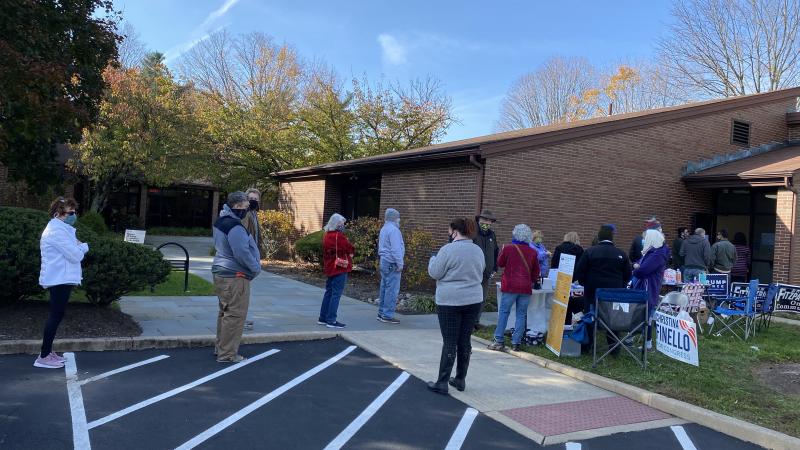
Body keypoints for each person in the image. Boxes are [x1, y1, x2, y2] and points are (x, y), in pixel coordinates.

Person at [426, 217, 485, 395]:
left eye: (449, 230)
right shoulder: (478, 250)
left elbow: (435, 272)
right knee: (464, 340)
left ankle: (442, 381)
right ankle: (460, 379)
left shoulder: (447, 250)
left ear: (454, 231)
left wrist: (432, 260)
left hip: (450, 300)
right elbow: (482, 270)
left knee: (450, 341)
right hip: (474, 299)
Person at [35, 197, 89, 369]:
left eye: (74, 212)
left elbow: (72, 250)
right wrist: (84, 246)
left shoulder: (61, 229)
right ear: (58, 214)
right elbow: (76, 254)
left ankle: (47, 352)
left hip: (61, 277)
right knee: (55, 315)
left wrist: (77, 246)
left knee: (56, 315)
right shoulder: (56, 232)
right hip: (59, 278)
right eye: (71, 213)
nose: (74, 215)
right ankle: (43, 356)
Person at [212, 192, 262, 363]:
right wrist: (256, 268)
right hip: (235, 275)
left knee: (225, 312)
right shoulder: (235, 227)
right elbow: (242, 253)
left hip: (221, 272)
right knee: (235, 315)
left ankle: (221, 348)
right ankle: (227, 354)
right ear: (237, 206)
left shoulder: (221, 221)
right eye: (244, 207)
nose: (246, 209)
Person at [574, 225, 632, 353]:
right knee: (613, 319)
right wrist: (619, 285)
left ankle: (587, 346)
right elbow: (628, 275)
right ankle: (614, 348)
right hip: (614, 295)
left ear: (599, 237)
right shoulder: (621, 254)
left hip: (592, 294)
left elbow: (579, 272)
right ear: (612, 238)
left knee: (590, 317)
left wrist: (586, 284)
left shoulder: (589, 252)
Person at [488, 224, 540, 352]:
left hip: (510, 286)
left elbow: (500, 263)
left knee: (504, 312)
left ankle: (499, 340)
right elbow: (536, 272)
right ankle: (516, 342)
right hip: (525, 287)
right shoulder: (533, 252)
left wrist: (502, 252)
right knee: (521, 314)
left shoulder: (508, 248)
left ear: (515, 234)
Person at [631, 229, 670, 350]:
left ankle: (647, 343)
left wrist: (637, 268)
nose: (643, 240)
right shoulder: (652, 252)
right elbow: (638, 264)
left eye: (645, 238)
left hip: (648, 289)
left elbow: (642, 270)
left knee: (646, 316)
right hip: (646, 287)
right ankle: (644, 341)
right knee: (644, 315)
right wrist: (637, 266)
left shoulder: (657, 255)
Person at [318, 213, 354, 329]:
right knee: (336, 294)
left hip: (330, 267)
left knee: (328, 292)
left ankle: (322, 318)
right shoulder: (339, 236)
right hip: (339, 267)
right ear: (338, 223)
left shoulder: (327, 235)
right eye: (342, 223)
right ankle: (331, 320)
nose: (343, 225)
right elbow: (349, 248)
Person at [377, 208, 404, 324]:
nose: (399, 220)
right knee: (391, 290)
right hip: (392, 263)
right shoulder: (394, 230)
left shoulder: (384, 228)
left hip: (384, 261)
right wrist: (400, 263)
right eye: (398, 218)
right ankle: (387, 315)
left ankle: (381, 313)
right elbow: (396, 249)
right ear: (395, 218)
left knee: (384, 287)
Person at [472, 209, 499, 330]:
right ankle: (468, 323)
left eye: (489, 221)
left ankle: (476, 321)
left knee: (482, 298)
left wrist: (494, 267)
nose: (487, 223)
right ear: (479, 220)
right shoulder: (472, 233)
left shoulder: (491, 235)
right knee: (471, 298)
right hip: (473, 273)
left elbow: (495, 251)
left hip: (486, 274)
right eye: (484, 220)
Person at [242, 188, 262, 259]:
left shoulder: (254, 213)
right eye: (251, 198)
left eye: (256, 199)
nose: (253, 200)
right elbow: (243, 235)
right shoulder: (245, 214)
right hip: (247, 254)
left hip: (254, 252)